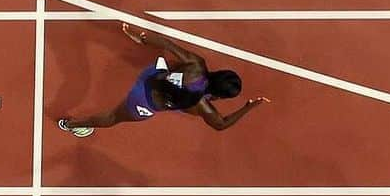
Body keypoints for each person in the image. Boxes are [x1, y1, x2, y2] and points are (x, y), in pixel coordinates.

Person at [57, 24, 269, 137]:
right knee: (113, 117)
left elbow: (167, 44)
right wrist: (249, 107)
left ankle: (69, 124)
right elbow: (221, 125)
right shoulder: (202, 106)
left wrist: (140, 38)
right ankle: (72, 124)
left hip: (150, 76)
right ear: (220, 96)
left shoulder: (197, 65)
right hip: (144, 101)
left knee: (171, 64)